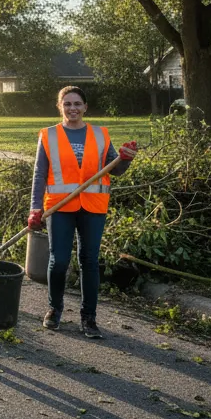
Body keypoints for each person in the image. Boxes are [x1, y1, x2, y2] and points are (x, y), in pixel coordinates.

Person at [28, 86, 137, 339]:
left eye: (77, 104)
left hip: (93, 207)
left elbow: (115, 170)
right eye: (67, 104)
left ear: (85, 107)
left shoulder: (100, 135)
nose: (72, 108)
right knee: (59, 261)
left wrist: (126, 158)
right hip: (59, 206)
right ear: (60, 107)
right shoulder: (48, 135)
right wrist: (35, 207)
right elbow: (39, 174)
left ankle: (89, 318)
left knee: (89, 262)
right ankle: (54, 310)